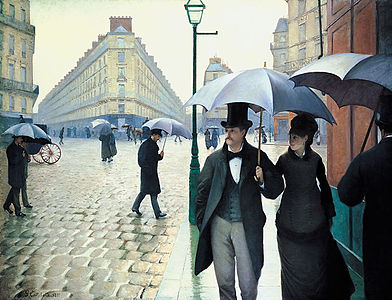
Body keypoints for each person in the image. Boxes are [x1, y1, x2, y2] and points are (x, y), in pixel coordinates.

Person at [195, 103, 284, 300]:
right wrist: (205, 225)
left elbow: (277, 188)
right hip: (220, 225)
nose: (228, 135)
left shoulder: (258, 157)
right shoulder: (214, 160)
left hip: (247, 226)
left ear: (244, 132)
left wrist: (263, 181)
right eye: (227, 130)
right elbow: (201, 196)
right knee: (224, 280)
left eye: (233, 131)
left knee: (249, 281)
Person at [275, 113, 353, 300]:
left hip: (315, 222)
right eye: (290, 136)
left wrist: (329, 214)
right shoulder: (283, 160)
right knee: (292, 269)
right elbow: (274, 184)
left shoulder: (317, 160)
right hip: (289, 222)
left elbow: (324, 187)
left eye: (295, 137)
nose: (291, 140)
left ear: (306, 139)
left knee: (316, 269)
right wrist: (262, 177)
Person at [337, 95, 392, 300]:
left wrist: (356, 166)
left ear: (381, 128)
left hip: (377, 243)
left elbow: (347, 195)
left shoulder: (366, 159)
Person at [132, 129, 167, 219]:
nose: (159, 139)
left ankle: (135, 207)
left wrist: (160, 156)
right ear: (154, 135)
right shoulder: (145, 145)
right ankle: (157, 213)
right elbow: (141, 160)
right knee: (152, 193)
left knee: (146, 192)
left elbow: (154, 158)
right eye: (158, 136)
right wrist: (148, 170)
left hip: (151, 172)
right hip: (148, 173)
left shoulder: (153, 145)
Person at [4, 136, 26, 217]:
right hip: (14, 173)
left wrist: (26, 156)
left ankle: (6, 205)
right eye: (20, 138)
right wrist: (21, 156)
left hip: (19, 173)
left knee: (14, 190)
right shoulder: (10, 148)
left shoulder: (20, 148)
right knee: (16, 192)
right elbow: (12, 161)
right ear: (16, 138)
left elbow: (23, 159)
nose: (22, 140)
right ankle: (18, 211)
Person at [20, 139, 32, 209]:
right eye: (25, 143)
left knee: (24, 188)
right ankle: (7, 204)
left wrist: (28, 158)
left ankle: (26, 203)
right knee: (16, 190)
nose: (26, 144)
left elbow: (27, 161)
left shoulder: (25, 150)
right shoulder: (19, 150)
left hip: (24, 172)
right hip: (19, 172)